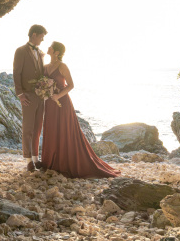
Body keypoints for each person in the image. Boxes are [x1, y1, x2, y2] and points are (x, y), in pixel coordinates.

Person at [40, 41, 120, 178]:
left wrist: (58, 95)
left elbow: (71, 85)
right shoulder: (45, 67)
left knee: (65, 131)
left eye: (51, 47)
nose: (48, 48)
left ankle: (66, 164)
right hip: (49, 104)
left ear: (57, 52)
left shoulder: (63, 66)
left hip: (62, 102)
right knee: (51, 129)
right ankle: (50, 162)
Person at [13, 24, 47, 172]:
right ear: (34, 35)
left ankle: (35, 159)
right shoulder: (20, 51)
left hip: (40, 96)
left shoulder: (40, 52)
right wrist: (20, 94)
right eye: (41, 36)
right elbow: (16, 73)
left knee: (37, 128)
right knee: (28, 128)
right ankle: (28, 160)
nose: (42, 39)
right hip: (27, 95)